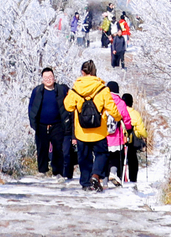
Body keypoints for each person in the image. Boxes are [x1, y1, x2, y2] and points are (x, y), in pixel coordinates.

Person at [63, 59, 130, 192]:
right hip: (99, 130)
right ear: (94, 72)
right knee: (102, 154)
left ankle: (86, 183)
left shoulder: (76, 89)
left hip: (82, 131)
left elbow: (68, 106)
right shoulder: (103, 89)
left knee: (84, 158)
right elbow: (111, 108)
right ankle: (95, 175)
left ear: (82, 72)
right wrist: (118, 118)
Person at [28, 67, 69, 175]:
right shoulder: (37, 91)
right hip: (41, 124)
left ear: (54, 78)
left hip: (57, 124)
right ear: (42, 79)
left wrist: (66, 121)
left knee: (58, 149)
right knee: (42, 148)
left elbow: (67, 105)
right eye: (45, 77)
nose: (48, 79)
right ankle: (42, 170)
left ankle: (58, 172)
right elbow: (31, 106)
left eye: (50, 77)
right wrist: (33, 122)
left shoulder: (61, 90)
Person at [121, 92, 146, 182]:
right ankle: (133, 179)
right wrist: (144, 136)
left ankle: (121, 178)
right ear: (131, 102)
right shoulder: (135, 113)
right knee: (133, 160)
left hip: (120, 140)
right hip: (132, 142)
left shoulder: (119, 111)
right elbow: (141, 130)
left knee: (120, 160)